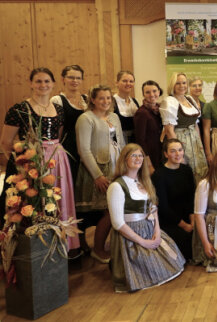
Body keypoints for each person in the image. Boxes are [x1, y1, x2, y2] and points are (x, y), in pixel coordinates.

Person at [0, 67, 80, 253]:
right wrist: (24, 162)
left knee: (56, 198)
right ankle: (34, 248)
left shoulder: (59, 110)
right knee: (33, 202)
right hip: (32, 162)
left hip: (56, 159)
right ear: (31, 83)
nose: (43, 85)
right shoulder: (19, 109)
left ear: (53, 84)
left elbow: (57, 137)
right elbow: (6, 142)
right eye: (38, 81)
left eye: (46, 81)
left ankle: (61, 244)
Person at [107, 144, 185, 292]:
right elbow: (117, 223)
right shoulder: (117, 186)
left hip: (149, 228)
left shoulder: (143, 181)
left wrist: (157, 231)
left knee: (173, 262)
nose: (138, 159)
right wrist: (143, 242)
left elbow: (153, 209)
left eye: (140, 156)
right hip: (131, 235)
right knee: (149, 271)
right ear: (124, 159)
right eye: (134, 155)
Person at [76, 85, 126, 262]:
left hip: (115, 167)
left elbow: (119, 143)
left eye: (108, 98)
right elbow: (84, 150)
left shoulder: (113, 117)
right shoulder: (86, 119)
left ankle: (110, 245)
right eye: (101, 98)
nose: (105, 101)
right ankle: (97, 249)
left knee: (114, 208)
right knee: (108, 210)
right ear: (93, 100)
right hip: (97, 169)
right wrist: (97, 175)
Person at [151, 139, 195, 260]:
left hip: (188, 217)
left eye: (180, 150)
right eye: (173, 151)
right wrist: (185, 225)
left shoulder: (187, 170)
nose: (178, 154)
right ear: (166, 154)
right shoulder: (159, 175)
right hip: (170, 221)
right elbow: (163, 207)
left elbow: (192, 197)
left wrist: (193, 221)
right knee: (185, 241)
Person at [160, 72, 207, 182]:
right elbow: (169, 130)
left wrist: (199, 144)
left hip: (194, 140)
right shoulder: (169, 102)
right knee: (184, 170)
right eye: (178, 83)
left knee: (199, 171)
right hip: (180, 140)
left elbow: (195, 125)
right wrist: (177, 150)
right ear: (173, 85)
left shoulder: (190, 99)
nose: (182, 86)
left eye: (184, 83)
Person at [50, 65, 87, 183]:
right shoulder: (57, 100)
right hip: (68, 146)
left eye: (78, 78)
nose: (75, 81)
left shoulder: (87, 99)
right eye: (71, 77)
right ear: (63, 79)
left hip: (86, 144)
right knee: (71, 178)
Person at [134, 80, 163, 170]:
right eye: (147, 92)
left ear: (159, 91)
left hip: (161, 152)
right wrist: (148, 162)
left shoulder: (161, 109)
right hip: (150, 155)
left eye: (154, 91)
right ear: (143, 94)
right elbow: (140, 140)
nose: (152, 94)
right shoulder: (141, 113)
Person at [112, 71, 139, 143]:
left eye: (131, 81)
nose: (128, 84)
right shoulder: (112, 101)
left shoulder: (135, 101)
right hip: (119, 141)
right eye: (124, 81)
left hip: (134, 141)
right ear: (117, 83)